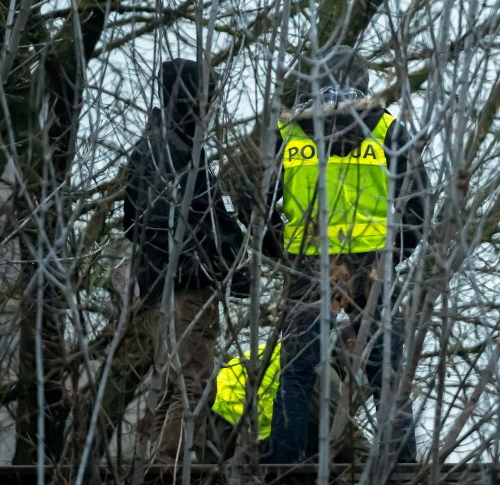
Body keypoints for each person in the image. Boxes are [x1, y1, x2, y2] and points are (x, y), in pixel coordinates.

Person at [266, 45, 428, 463]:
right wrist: (393, 255)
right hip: (371, 263)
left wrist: (283, 254)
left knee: (298, 369)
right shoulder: (387, 129)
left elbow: (260, 208)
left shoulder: (288, 133)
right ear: (362, 81)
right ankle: (401, 464)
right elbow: (419, 207)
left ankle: (284, 464)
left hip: (308, 262)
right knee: (385, 371)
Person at [106, 57, 245, 463]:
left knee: (171, 380)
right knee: (192, 379)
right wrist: (225, 264)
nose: (215, 108)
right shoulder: (179, 151)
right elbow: (198, 219)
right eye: (210, 98)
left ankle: (158, 465)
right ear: (193, 99)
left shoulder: (151, 146)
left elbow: (132, 222)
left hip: (156, 286)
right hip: (186, 285)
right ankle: (169, 469)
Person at [211, 343, 370, 461]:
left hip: (216, 428)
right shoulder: (319, 368)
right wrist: (370, 461)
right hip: (239, 433)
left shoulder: (299, 349)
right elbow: (340, 427)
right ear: (350, 344)